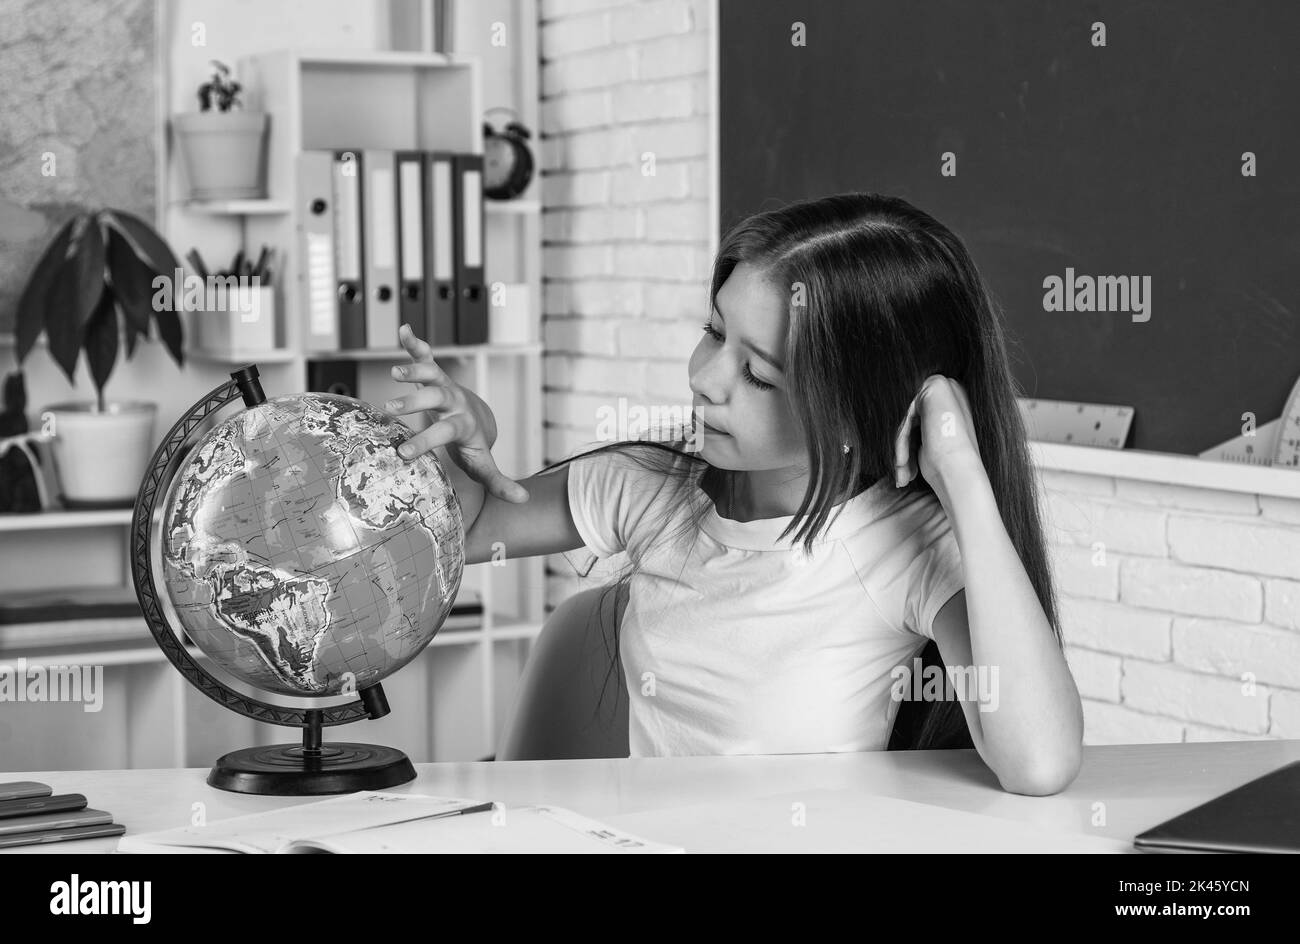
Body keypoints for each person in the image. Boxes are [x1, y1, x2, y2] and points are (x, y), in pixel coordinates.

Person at [386, 192, 1083, 796]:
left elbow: (1039, 763)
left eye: (759, 375)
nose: (706, 379)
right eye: (714, 333)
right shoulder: (651, 486)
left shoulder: (904, 543)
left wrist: (961, 472)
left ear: (858, 413)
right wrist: (462, 446)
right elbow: (459, 535)